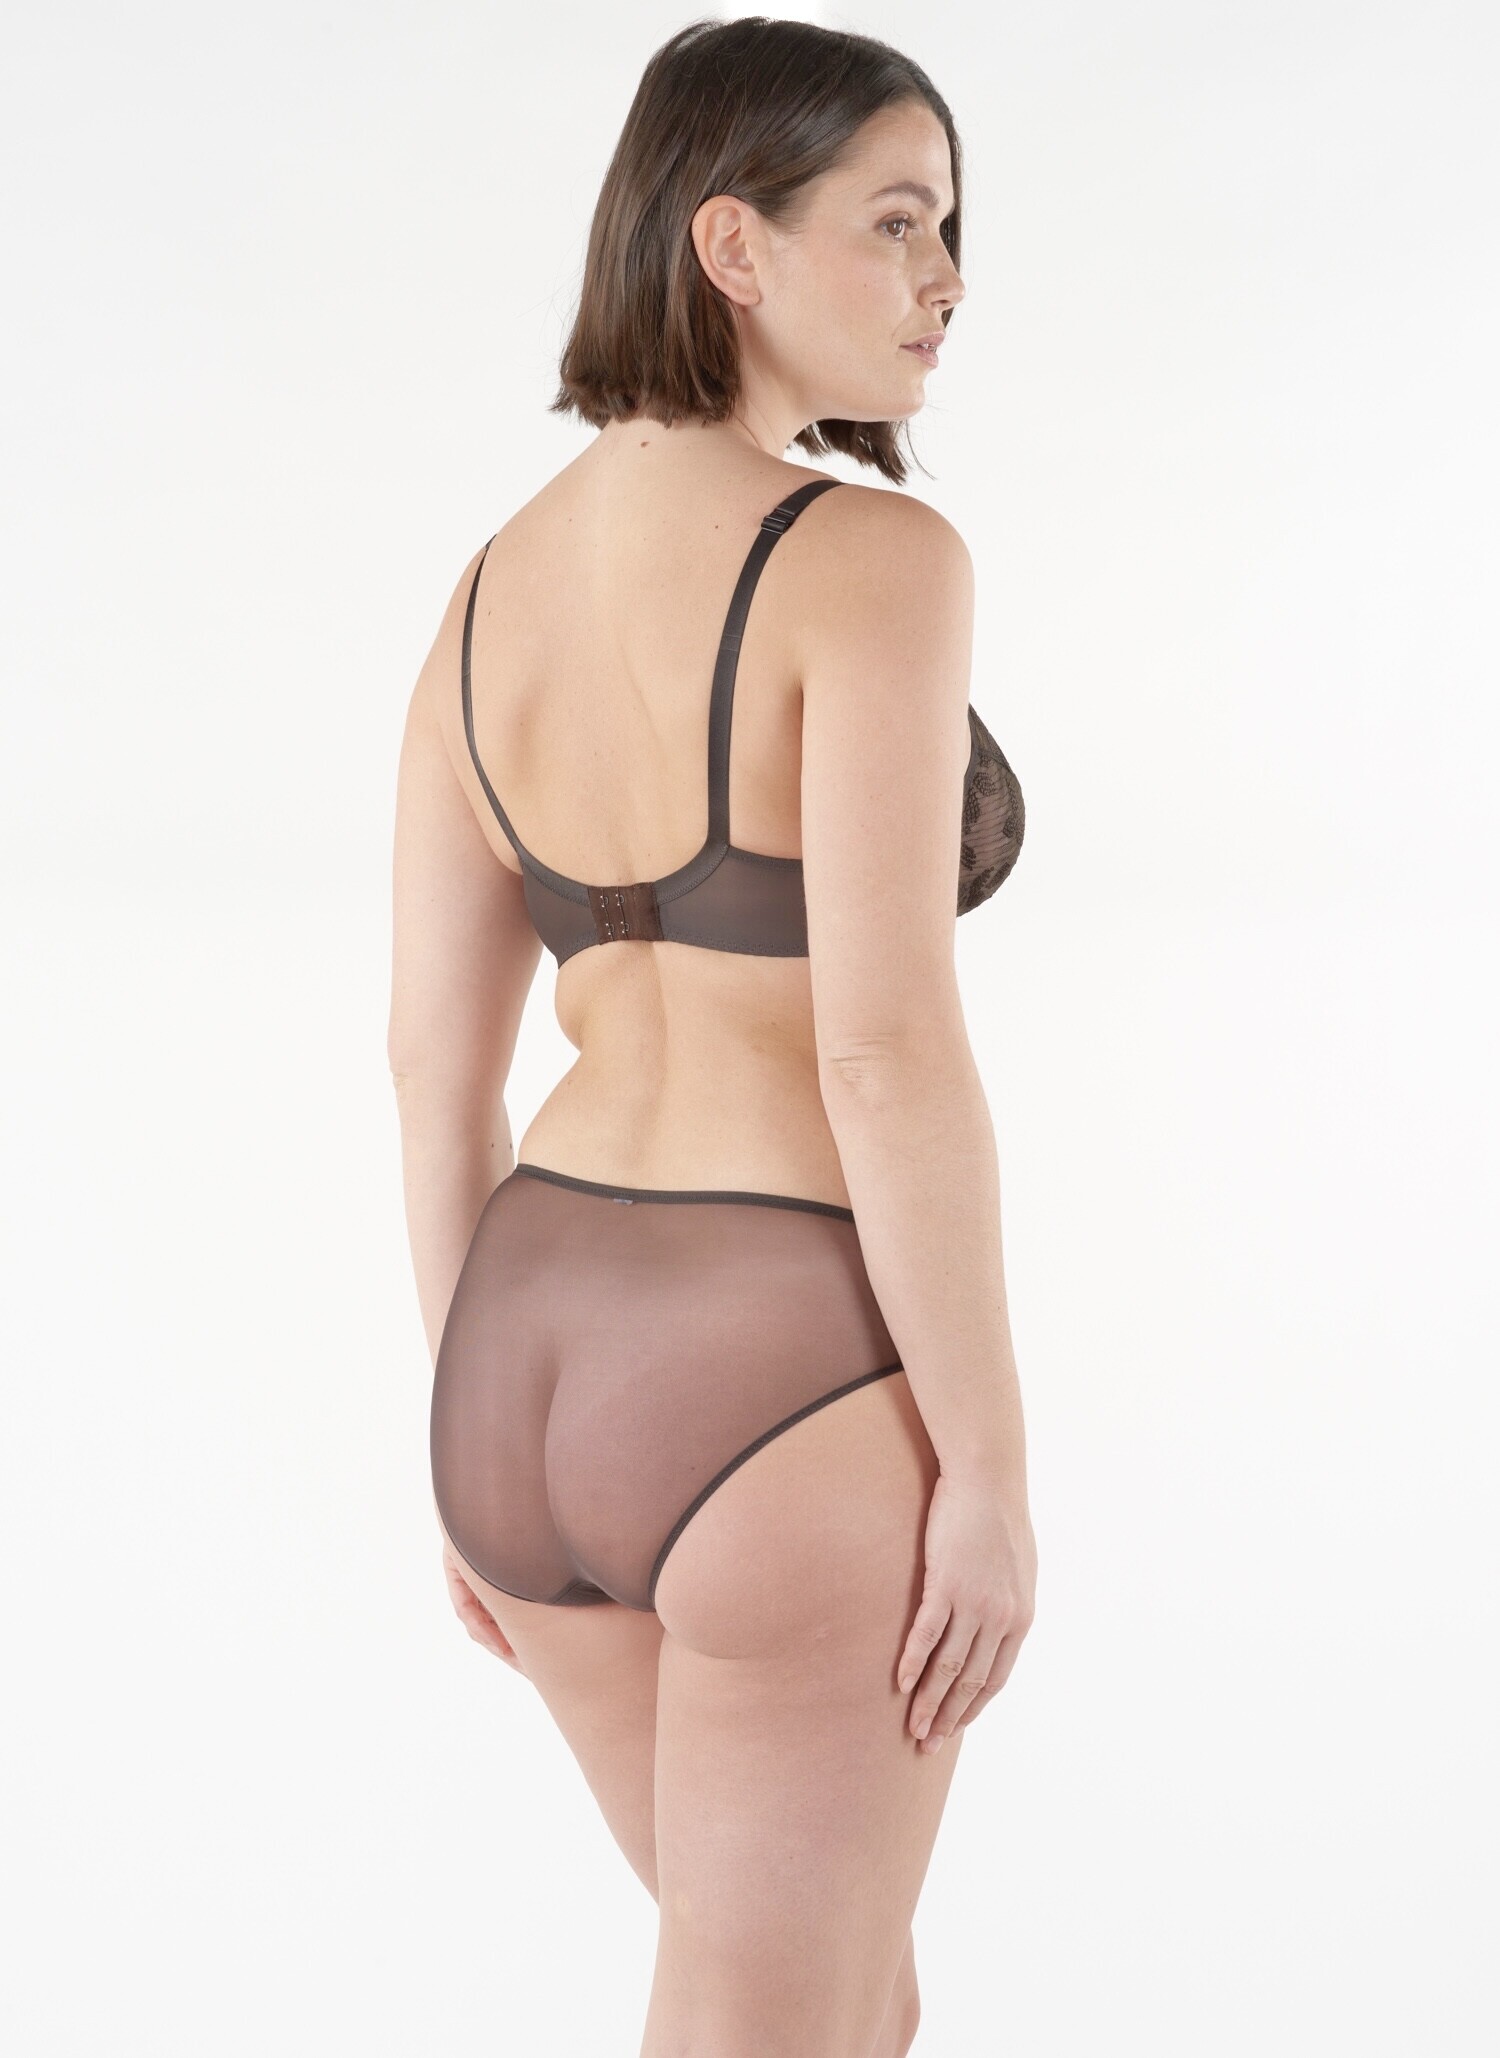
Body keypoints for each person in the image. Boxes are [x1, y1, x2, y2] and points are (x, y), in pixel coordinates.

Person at [388, 17, 1036, 2054]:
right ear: (732, 244)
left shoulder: (483, 595)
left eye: (953, 230)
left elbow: (431, 1072)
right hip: (770, 1376)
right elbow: (882, 1055)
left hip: (522, 1366)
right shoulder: (875, 565)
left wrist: (464, 1443)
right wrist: (990, 1467)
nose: (947, 280)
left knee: (842, 2003)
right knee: (780, 2023)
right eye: (898, 222)